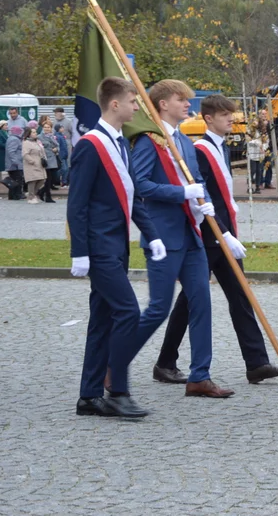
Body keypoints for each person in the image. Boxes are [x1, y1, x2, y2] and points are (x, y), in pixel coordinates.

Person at [153, 95, 278, 387]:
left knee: (240, 297)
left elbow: (224, 195)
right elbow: (205, 196)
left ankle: (256, 363)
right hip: (207, 236)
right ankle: (165, 362)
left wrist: (230, 231)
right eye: (224, 114)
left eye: (231, 113)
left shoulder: (222, 148)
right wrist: (223, 234)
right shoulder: (200, 149)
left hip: (224, 234)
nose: (231, 118)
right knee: (190, 299)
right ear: (208, 119)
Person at [124, 79, 233, 398]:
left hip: (191, 235)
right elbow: (140, 185)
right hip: (164, 235)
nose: (188, 104)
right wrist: (181, 193)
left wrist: (204, 202)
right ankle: (114, 363)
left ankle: (200, 375)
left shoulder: (184, 142)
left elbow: (197, 180)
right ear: (162, 105)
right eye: (180, 99)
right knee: (158, 308)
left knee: (202, 304)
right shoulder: (149, 141)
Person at [69, 77, 166, 418]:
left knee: (103, 320)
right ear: (115, 104)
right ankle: (118, 389)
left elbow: (131, 195)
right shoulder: (90, 145)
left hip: (116, 246)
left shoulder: (121, 143)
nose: (137, 107)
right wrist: (79, 251)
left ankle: (89, 396)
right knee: (127, 313)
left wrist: (152, 234)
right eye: (133, 101)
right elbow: (76, 204)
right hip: (98, 249)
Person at [21, 124, 47, 204]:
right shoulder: (26, 142)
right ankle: (31, 197)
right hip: (31, 164)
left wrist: (45, 158)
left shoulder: (38, 141)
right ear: (29, 134)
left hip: (40, 163)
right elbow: (25, 154)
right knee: (32, 180)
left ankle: (31, 193)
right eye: (33, 132)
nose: (35, 133)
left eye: (35, 132)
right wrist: (31, 161)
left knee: (42, 179)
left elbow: (42, 150)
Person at [38, 118, 60, 203]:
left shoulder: (52, 136)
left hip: (53, 159)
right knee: (48, 179)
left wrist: (56, 149)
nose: (47, 129)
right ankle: (47, 196)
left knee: (52, 178)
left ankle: (41, 192)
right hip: (46, 159)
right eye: (45, 127)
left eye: (48, 127)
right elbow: (39, 148)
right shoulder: (40, 137)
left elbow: (58, 146)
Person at [4, 126, 24, 200]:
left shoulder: (12, 138)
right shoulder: (15, 139)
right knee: (17, 180)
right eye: (20, 131)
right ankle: (17, 195)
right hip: (15, 165)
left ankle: (12, 195)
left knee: (14, 180)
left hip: (13, 164)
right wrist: (16, 162)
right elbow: (11, 152)